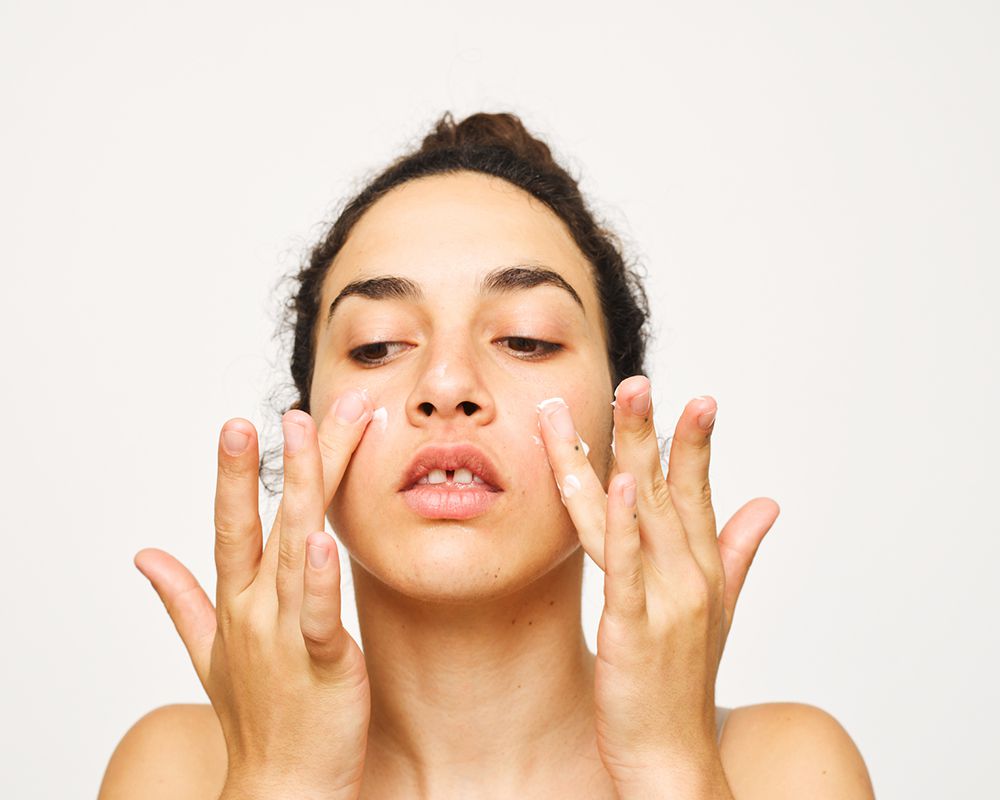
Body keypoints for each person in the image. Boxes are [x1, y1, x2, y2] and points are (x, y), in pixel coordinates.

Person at [99, 112, 875, 799]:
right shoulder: (180, 772)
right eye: (376, 346)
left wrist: (672, 767)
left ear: (617, 426)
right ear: (303, 430)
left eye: (527, 337)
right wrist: (282, 780)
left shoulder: (783, 769)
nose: (446, 385)